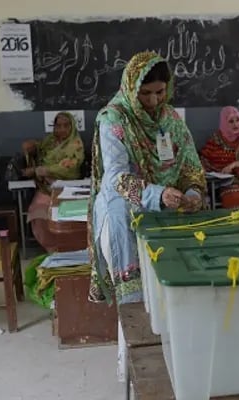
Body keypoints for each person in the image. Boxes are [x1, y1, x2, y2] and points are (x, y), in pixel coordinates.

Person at [88, 51, 206, 382]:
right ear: (131, 87)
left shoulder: (171, 119)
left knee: (173, 291)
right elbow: (115, 178)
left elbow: (191, 168)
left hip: (167, 213)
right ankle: (137, 376)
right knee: (137, 302)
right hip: (123, 216)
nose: (154, 100)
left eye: (160, 92)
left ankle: (176, 364)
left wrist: (193, 193)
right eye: (146, 93)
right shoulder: (113, 118)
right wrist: (155, 194)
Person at [24, 112, 85, 250]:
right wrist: (32, 146)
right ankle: (52, 248)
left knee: (66, 218)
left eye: (65, 126)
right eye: (58, 126)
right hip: (47, 189)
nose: (61, 129)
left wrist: (40, 170)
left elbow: (69, 165)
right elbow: (39, 149)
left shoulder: (75, 144)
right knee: (38, 213)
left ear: (72, 126)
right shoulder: (50, 141)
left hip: (68, 189)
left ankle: (71, 249)